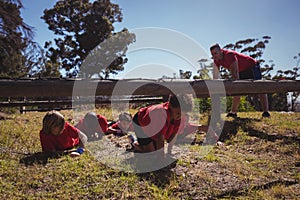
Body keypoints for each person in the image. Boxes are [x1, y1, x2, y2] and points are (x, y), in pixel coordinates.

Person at [130, 94, 218, 158]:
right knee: (150, 152)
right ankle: (134, 141)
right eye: (178, 113)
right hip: (141, 122)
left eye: (183, 114)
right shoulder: (161, 113)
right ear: (170, 106)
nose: (179, 116)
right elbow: (160, 137)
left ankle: (145, 143)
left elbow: (174, 134)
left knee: (156, 149)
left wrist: (169, 152)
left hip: (154, 127)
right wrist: (161, 157)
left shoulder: (180, 117)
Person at [210, 43, 270, 118]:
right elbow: (215, 77)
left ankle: (266, 112)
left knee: (260, 87)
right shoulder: (216, 60)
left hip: (251, 66)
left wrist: (229, 84)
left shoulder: (229, 55)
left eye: (215, 53)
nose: (214, 56)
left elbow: (235, 75)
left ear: (221, 51)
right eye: (212, 54)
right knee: (237, 90)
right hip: (241, 70)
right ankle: (233, 112)